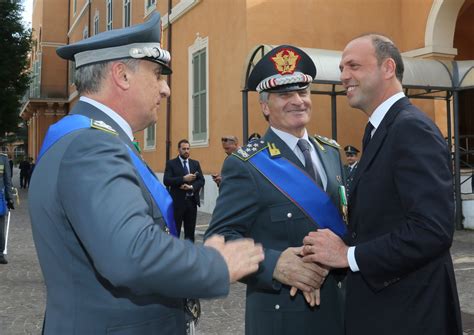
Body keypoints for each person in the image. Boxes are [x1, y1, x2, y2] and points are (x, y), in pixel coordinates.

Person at [28, 13, 264, 334]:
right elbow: (131, 253)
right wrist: (216, 264)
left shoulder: (86, 139)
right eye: (158, 75)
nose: (165, 90)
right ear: (122, 75)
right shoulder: (92, 147)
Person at [301, 34, 462, 335]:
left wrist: (347, 255)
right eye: (341, 68)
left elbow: (432, 230)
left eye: (354, 66)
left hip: (411, 314)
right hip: (389, 308)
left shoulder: (411, 128)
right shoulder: (381, 129)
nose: (344, 76)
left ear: (388, 68)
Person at [205, 45, 347, 335]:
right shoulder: (246, 165)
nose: (298, 101)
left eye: (303, 92)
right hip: (284, 317)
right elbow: (218, 241)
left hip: (341, 307)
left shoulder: (331, 152)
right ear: (265, 106)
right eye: (285, 95)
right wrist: (274, 265)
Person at [163, 139, 204, 242]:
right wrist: (183, 179)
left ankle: (189, 255)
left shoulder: (195, 163)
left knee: (190, 234)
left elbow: (201, 180)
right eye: (184, 149)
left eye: (188, 148)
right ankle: (175, 254)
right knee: (175, 232)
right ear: (179, 150)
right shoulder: (171, 163)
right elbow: (166, 180)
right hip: (177, 203)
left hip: (191, 203)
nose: (186, 151)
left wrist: (191, 187)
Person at [0, 153, 14, 264]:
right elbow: (7, 181)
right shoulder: (3, 158)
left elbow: (7, 181)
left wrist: (9, 198)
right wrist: (10, 198)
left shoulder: (3, 158)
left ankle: (0, 253)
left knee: (0, 228)